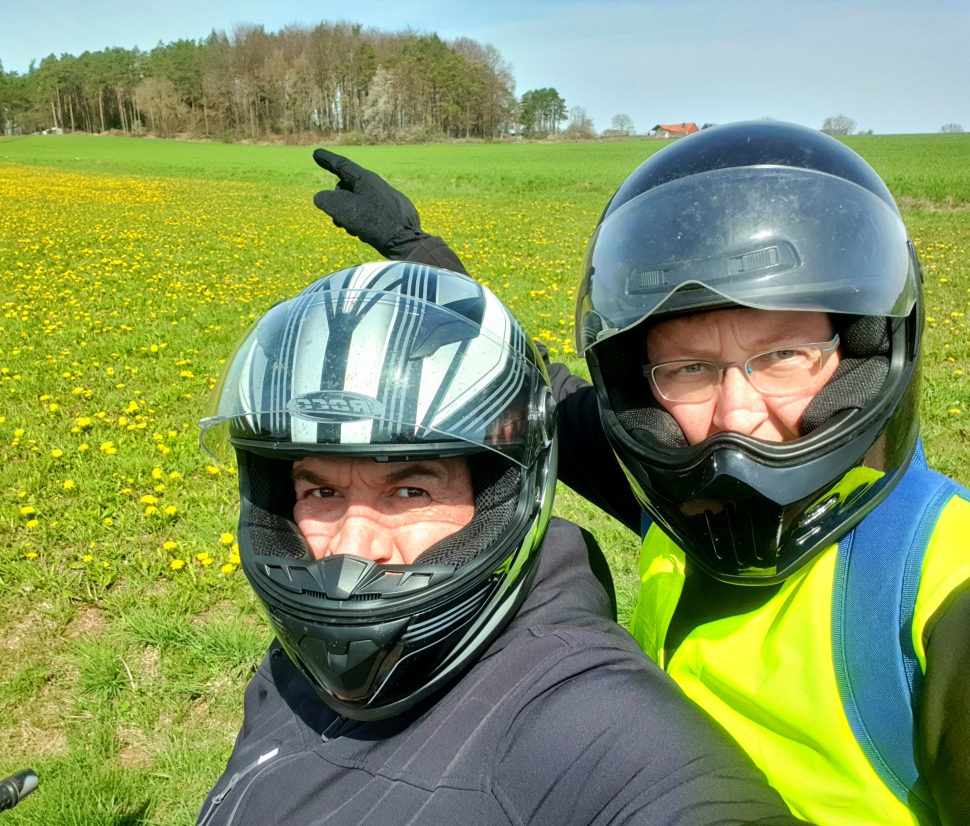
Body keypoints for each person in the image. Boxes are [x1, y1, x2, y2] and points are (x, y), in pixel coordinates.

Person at [311, 122, 970, 826]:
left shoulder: (940, 588)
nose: (735, 417)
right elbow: (549, 400)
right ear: (646, 393)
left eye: (783, 357)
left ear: (864, 356)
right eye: (689, 368)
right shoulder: (684, 492)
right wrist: (426, 260)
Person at [195, 261, 807, 825]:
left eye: (410, 493)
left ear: (498, 500)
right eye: (320, 493)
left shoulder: (589, 719)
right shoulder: (293, 665)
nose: (351, 547)